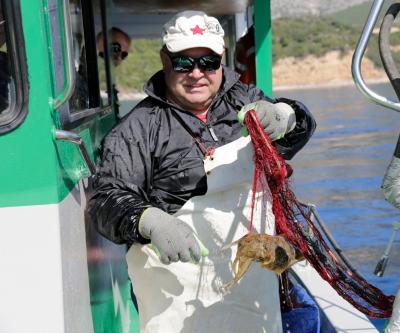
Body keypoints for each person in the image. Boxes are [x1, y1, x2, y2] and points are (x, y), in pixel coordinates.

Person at [88, 10, 316, 333]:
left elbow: (296, 134)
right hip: (177, 288)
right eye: (183, 62)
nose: (196, 73)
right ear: (165, 61)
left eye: (207, 62)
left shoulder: (246, 100)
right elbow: (105, 199)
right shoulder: (137, 129)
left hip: (251, 281)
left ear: (221, 60)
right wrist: (147, 221)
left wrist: (288, 115)